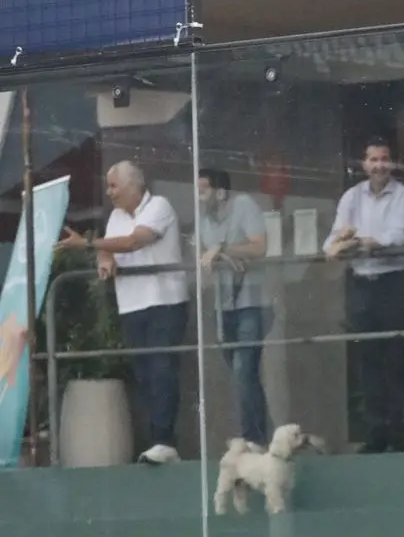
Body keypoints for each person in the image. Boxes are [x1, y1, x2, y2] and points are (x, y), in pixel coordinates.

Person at [63, 160, 188, 464]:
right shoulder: (117, 216)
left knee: (161, 371)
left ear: (134, 185)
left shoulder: (159, 206)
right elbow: (110, 246)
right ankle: (158, 442)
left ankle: (165, 442)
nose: (109, 192)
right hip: (131, 304)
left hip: (164, 302)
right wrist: (103, 258)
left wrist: (87, 243)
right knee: (144, 375)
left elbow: (134, 241)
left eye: (113, 186)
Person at [324, 137, 404, 452]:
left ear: (392, 163)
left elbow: (396, 236)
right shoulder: (352, 196)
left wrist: (352, 242)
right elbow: (331, 243)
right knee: (368, 361)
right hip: (363, 284)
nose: (379, 165)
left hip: (394, 283)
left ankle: (398, 434)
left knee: (396, 359)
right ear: (364, 164)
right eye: (373, 159)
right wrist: (347, 243)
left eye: (384, 159)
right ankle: (376, 435)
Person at [196, 168, 271, 447]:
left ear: (220, 192)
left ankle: (252, 438)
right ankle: (261, 435)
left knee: (243, 370)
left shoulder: (243, 205)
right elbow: (204, 257)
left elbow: (259, 247)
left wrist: (222, 248)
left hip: (252, 302)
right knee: (242, 375)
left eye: (203, 190)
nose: (198, 197)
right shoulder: (204, 219)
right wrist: (222, 254)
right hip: (223, 304)